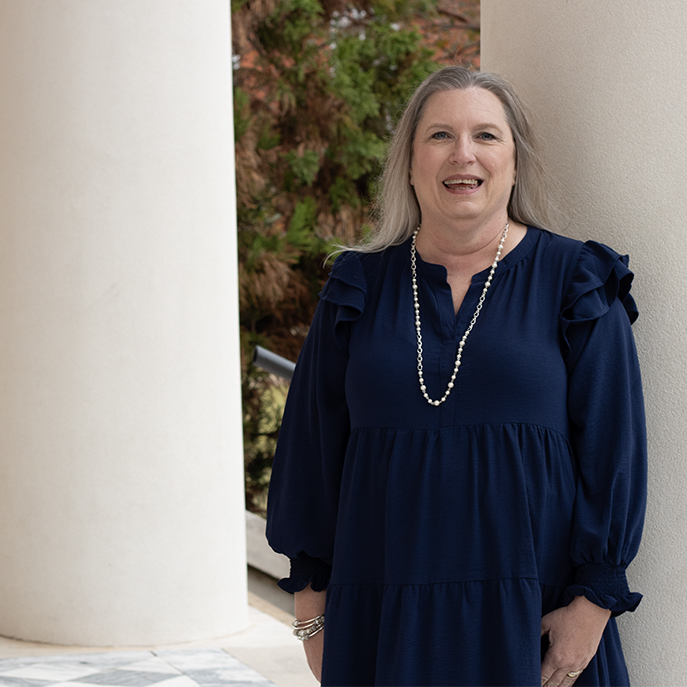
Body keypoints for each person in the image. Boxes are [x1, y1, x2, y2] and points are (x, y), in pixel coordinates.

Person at [265, 66, 647, 687]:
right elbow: (311, 455)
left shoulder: (575, 281)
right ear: (410, 163)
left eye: (487, 136)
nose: (462, 154)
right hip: (381, 614)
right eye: (440, 135)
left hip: (534, 621)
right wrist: (312, 617)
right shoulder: (355, 290)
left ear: (515, 162)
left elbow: (614, 454)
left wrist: (593, 605)